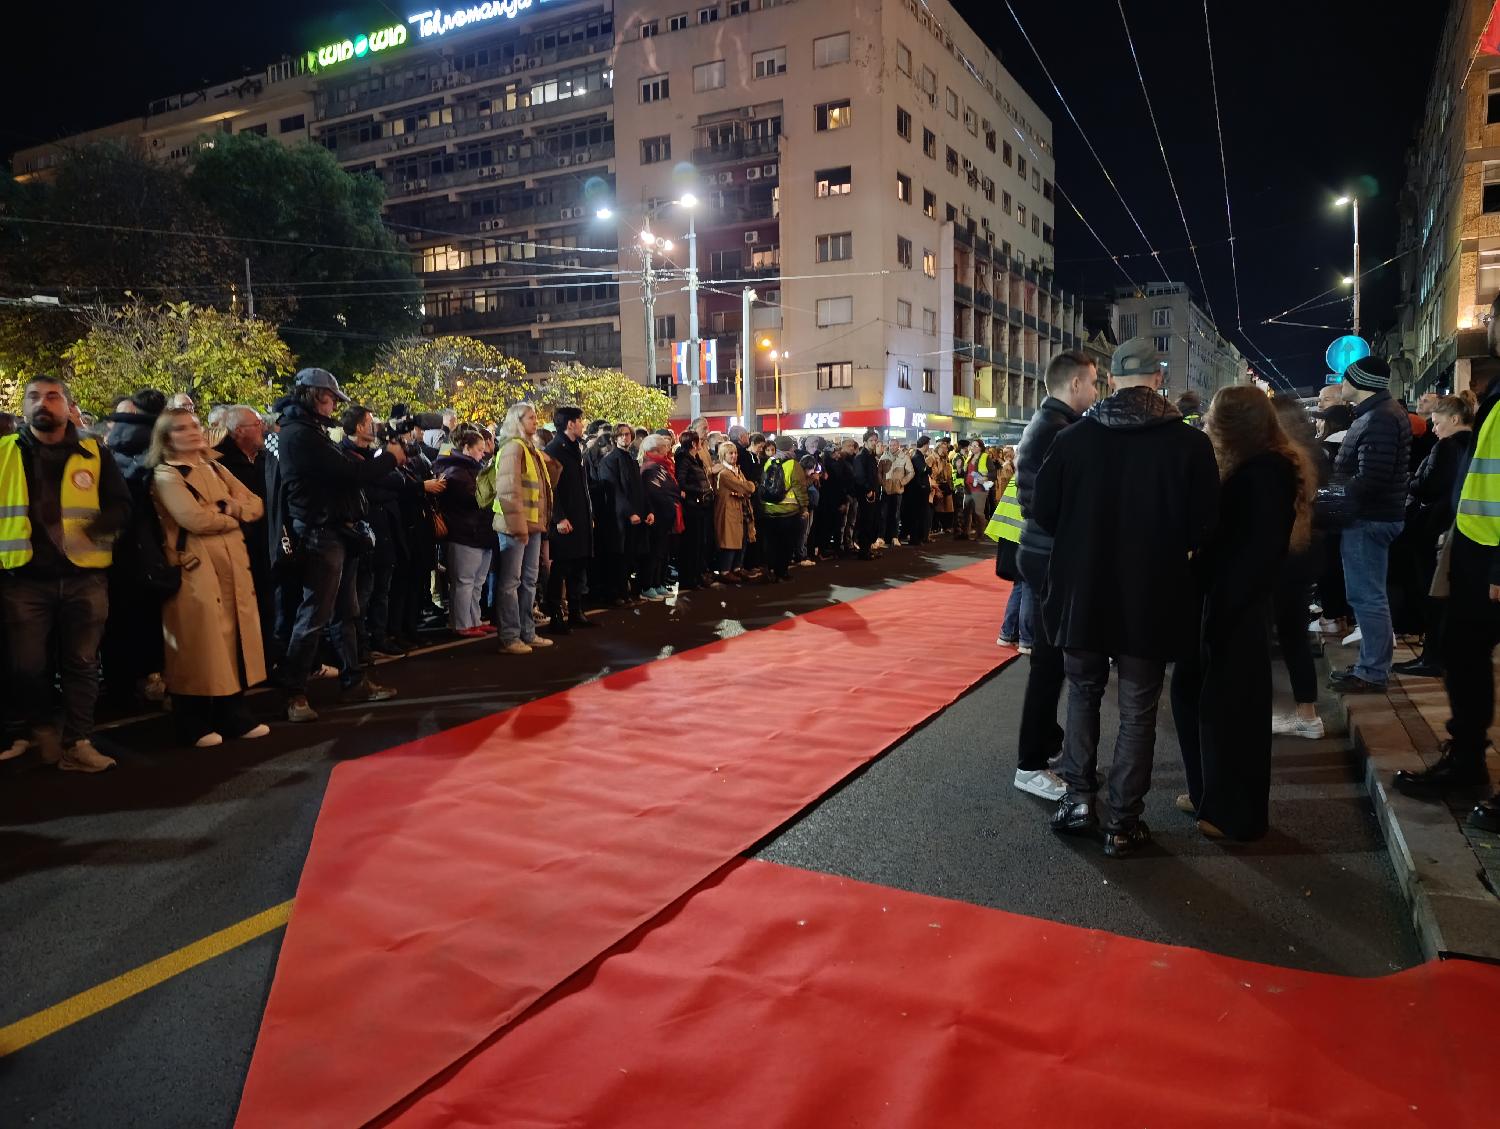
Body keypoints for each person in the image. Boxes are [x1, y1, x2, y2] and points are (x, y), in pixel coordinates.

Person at [1032, 338, 1219, 857]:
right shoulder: (1189, 444)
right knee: (1138, 707)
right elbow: (1206, 526)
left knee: (1083, 692)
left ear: (1111, 380)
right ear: (1158, 380)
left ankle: (1077, 800)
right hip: (1152, 596)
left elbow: (1043, 512)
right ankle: (1123, 820)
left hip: (1082, 592)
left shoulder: (1073, 441)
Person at [1175, 388, 1313, 841]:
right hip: (1231, 605)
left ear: (1232, 425)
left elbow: (1248, 554)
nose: (1207, 423)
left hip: (1231, 608)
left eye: (1213, 417)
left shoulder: (1261, 474)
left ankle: (1229, 813)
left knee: (1226, 711)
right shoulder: (1267, 466)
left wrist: (1218, 609)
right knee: (1207, 701)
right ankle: (1208, 797)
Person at [1396, 296, 1500, 811]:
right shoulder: (1497, 392)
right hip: (1477, 550)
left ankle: (1467, 766)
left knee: (1466, 656)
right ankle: (1466, 762)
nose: (1487, 326)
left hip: (1491, 557)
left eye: (1492, 318)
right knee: (1462, 658)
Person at [0, 376, 131, 771]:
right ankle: (40, 726)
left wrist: (85, 533)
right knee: (27, 666)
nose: (43, 403)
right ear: (23, 407)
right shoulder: (4, 452)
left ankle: (78, 741)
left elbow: (121, 507)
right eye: (34, 397)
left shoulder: (95, 452)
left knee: (82, 663)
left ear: (67, 405)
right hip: (23, 578)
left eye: (53, 396)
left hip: (84, 576)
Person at [271, 367, 400, 723]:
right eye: (329, 399)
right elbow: (352, 473)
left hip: (333, 530)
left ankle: (352, 679)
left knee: (345, 611)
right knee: (315, 614)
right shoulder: (301, 434)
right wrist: (390, 457)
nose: (332, 407)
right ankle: (294, 692)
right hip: (320, 531)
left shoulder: (308, 431)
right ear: (315, 396)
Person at [146, 409, 271, 747]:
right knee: (199, 646)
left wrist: (227, 509)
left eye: (195, 425)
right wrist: (233, 512)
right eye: (182, 428)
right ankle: (192, 719)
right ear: (167, 437)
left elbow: (256, 504)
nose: (193, 432)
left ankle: (233, 712)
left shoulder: (214, 466)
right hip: (195, 569)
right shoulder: (167, 474)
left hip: (231, 566)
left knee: (231, 641)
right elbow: (194, 520)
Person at [1010, 350, 1099, 801]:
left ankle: (1044, 743)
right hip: (1047, 554)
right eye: (1094, 384)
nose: (1097, 392)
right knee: (1047, 663)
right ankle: (1029, 763)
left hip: (1039, 552)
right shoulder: (1057, 431)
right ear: (1076, 385)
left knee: (1050, 660)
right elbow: (1048, 504)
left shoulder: (1049, 425)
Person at [1328, 356, 1411, 693]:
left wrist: (1329, 495)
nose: (1341, 385)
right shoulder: (1379, 414)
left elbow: (1370, 478)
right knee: (1368, 594)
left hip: (1369, 518)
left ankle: (1373, 672)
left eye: (1346, 379)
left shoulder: (1379, 418)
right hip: (1373, 515)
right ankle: (1370, 665)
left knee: (1367, 596)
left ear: (1360, 382)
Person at [1392, 395, 1476, 678]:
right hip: (1462, 526)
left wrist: (1410, 482)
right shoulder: (1476, 445)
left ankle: (1433, 657)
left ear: (1454, 420)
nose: (1434, 429)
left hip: (1434, 527)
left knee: (1432, 592)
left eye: (1438, 423)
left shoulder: (1447, 447)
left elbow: (1428, 485)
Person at [1268, 396, 1330, 738]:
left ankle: (1256, 709)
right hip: (1304, 554)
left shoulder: (1272, 460)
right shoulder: (1315, 455)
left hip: (1275, 559)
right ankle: (1309, 715)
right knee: (1294, 636)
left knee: (1260, 636)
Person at [492, 403, 557, 654]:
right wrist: (518, 526)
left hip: (531, 524)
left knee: (529, 580)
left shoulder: (531, 450)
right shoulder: (513, 449)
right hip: (515, 526)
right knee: (511, 582)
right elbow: (509, 492)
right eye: (531, 417)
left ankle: (527, 632)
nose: (536, 421)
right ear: (518, 421)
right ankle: (510, 636)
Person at [433, 424, 495, 639]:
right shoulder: (456, 471)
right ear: (467, 448)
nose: (483, 453)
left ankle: (474, 620)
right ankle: (461, 623)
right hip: (465, 532)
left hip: (479, 532)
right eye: (479, 449)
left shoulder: (471, 469)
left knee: (476, 582)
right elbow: (475, 498)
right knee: (464, 581)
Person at [542, 406, 596, 634]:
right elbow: (550, 488)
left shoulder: (575, 448)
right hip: (565, 521)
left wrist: (589, 515)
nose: (583, 424)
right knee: (561, 568)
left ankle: (576, 611)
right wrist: (559, 517)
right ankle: (556, 615)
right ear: (570, 424)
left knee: (577, 566)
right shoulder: (554, 449)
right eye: (580, 420)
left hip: (580, 517)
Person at [600, 421, 650, 604]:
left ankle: (626, 593)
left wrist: (647, 511)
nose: (625, 437)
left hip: (635, 517)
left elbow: (639, 489)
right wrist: (629, 512)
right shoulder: (609, 461)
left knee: (630, 556)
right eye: (621, 434)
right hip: (618, 518)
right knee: (618, 557)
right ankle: (616, 594)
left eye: (628, 434)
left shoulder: (631, 460)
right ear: (614, 438)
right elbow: (614, 491)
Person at [758, 435, 809, 582]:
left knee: (772, 542)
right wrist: (804, 506)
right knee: (786, 543)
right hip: (788, 511)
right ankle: (782, 572)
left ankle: (770, 569)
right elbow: (800, 487)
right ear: (789, 447)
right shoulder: (793, 464)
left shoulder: (769, 461)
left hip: (769, 509)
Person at [640, 434, 683, 600]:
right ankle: (647, 585)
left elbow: (671, 487)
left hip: (666, 514)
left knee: (662, 552)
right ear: (657, 449)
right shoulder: (651, 468)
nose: (668, 449)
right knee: (654, 552)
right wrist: (673, 497)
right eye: (665, 446)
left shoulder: (662, 466)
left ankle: (658, 583)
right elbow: (656, 492)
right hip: (657, 515)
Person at [674, 430, 713, 590]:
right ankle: (689, 578)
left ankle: (696, 576)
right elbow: (681, 482)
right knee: (691, 543)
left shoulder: (695, 459)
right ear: (693, 443)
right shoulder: (684, 460)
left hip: (700, 505)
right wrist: (698, 489)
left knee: (699, 543)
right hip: (691, 506)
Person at [714, 442, 757, 580]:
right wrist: (746, 488)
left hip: (741, 510)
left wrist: (745, 488)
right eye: (730, 453)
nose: (734, 456)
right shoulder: (725, 473)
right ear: (723, 455)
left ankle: (737, 568)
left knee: (742, 540)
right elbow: (747, 487)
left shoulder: (736, 470)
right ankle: (725, 571)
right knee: (730, 543)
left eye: (735, 453)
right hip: (729, 511)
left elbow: (748, 487)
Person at [852, 431, 882, 556]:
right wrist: (868, 490)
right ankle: (864, 550)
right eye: (871, 440)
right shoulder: (861, 456)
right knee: (866, 521)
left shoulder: (870, 456)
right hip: (866, 494)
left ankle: (868, 548)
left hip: (873, 492)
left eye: (875, 440)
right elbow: (859, 476)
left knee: (873, 521)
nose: (874, 443)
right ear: (865, 442)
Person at [904, 435, 933, 545]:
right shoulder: (917, 457)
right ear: (925, 445)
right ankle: (915, 538)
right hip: (918, 490)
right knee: (917, 515)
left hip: (920, 489)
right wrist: (929, 467)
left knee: (920, 515)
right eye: (928, 444)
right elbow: (924, 471)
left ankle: (919, 537)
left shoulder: (919, 456)